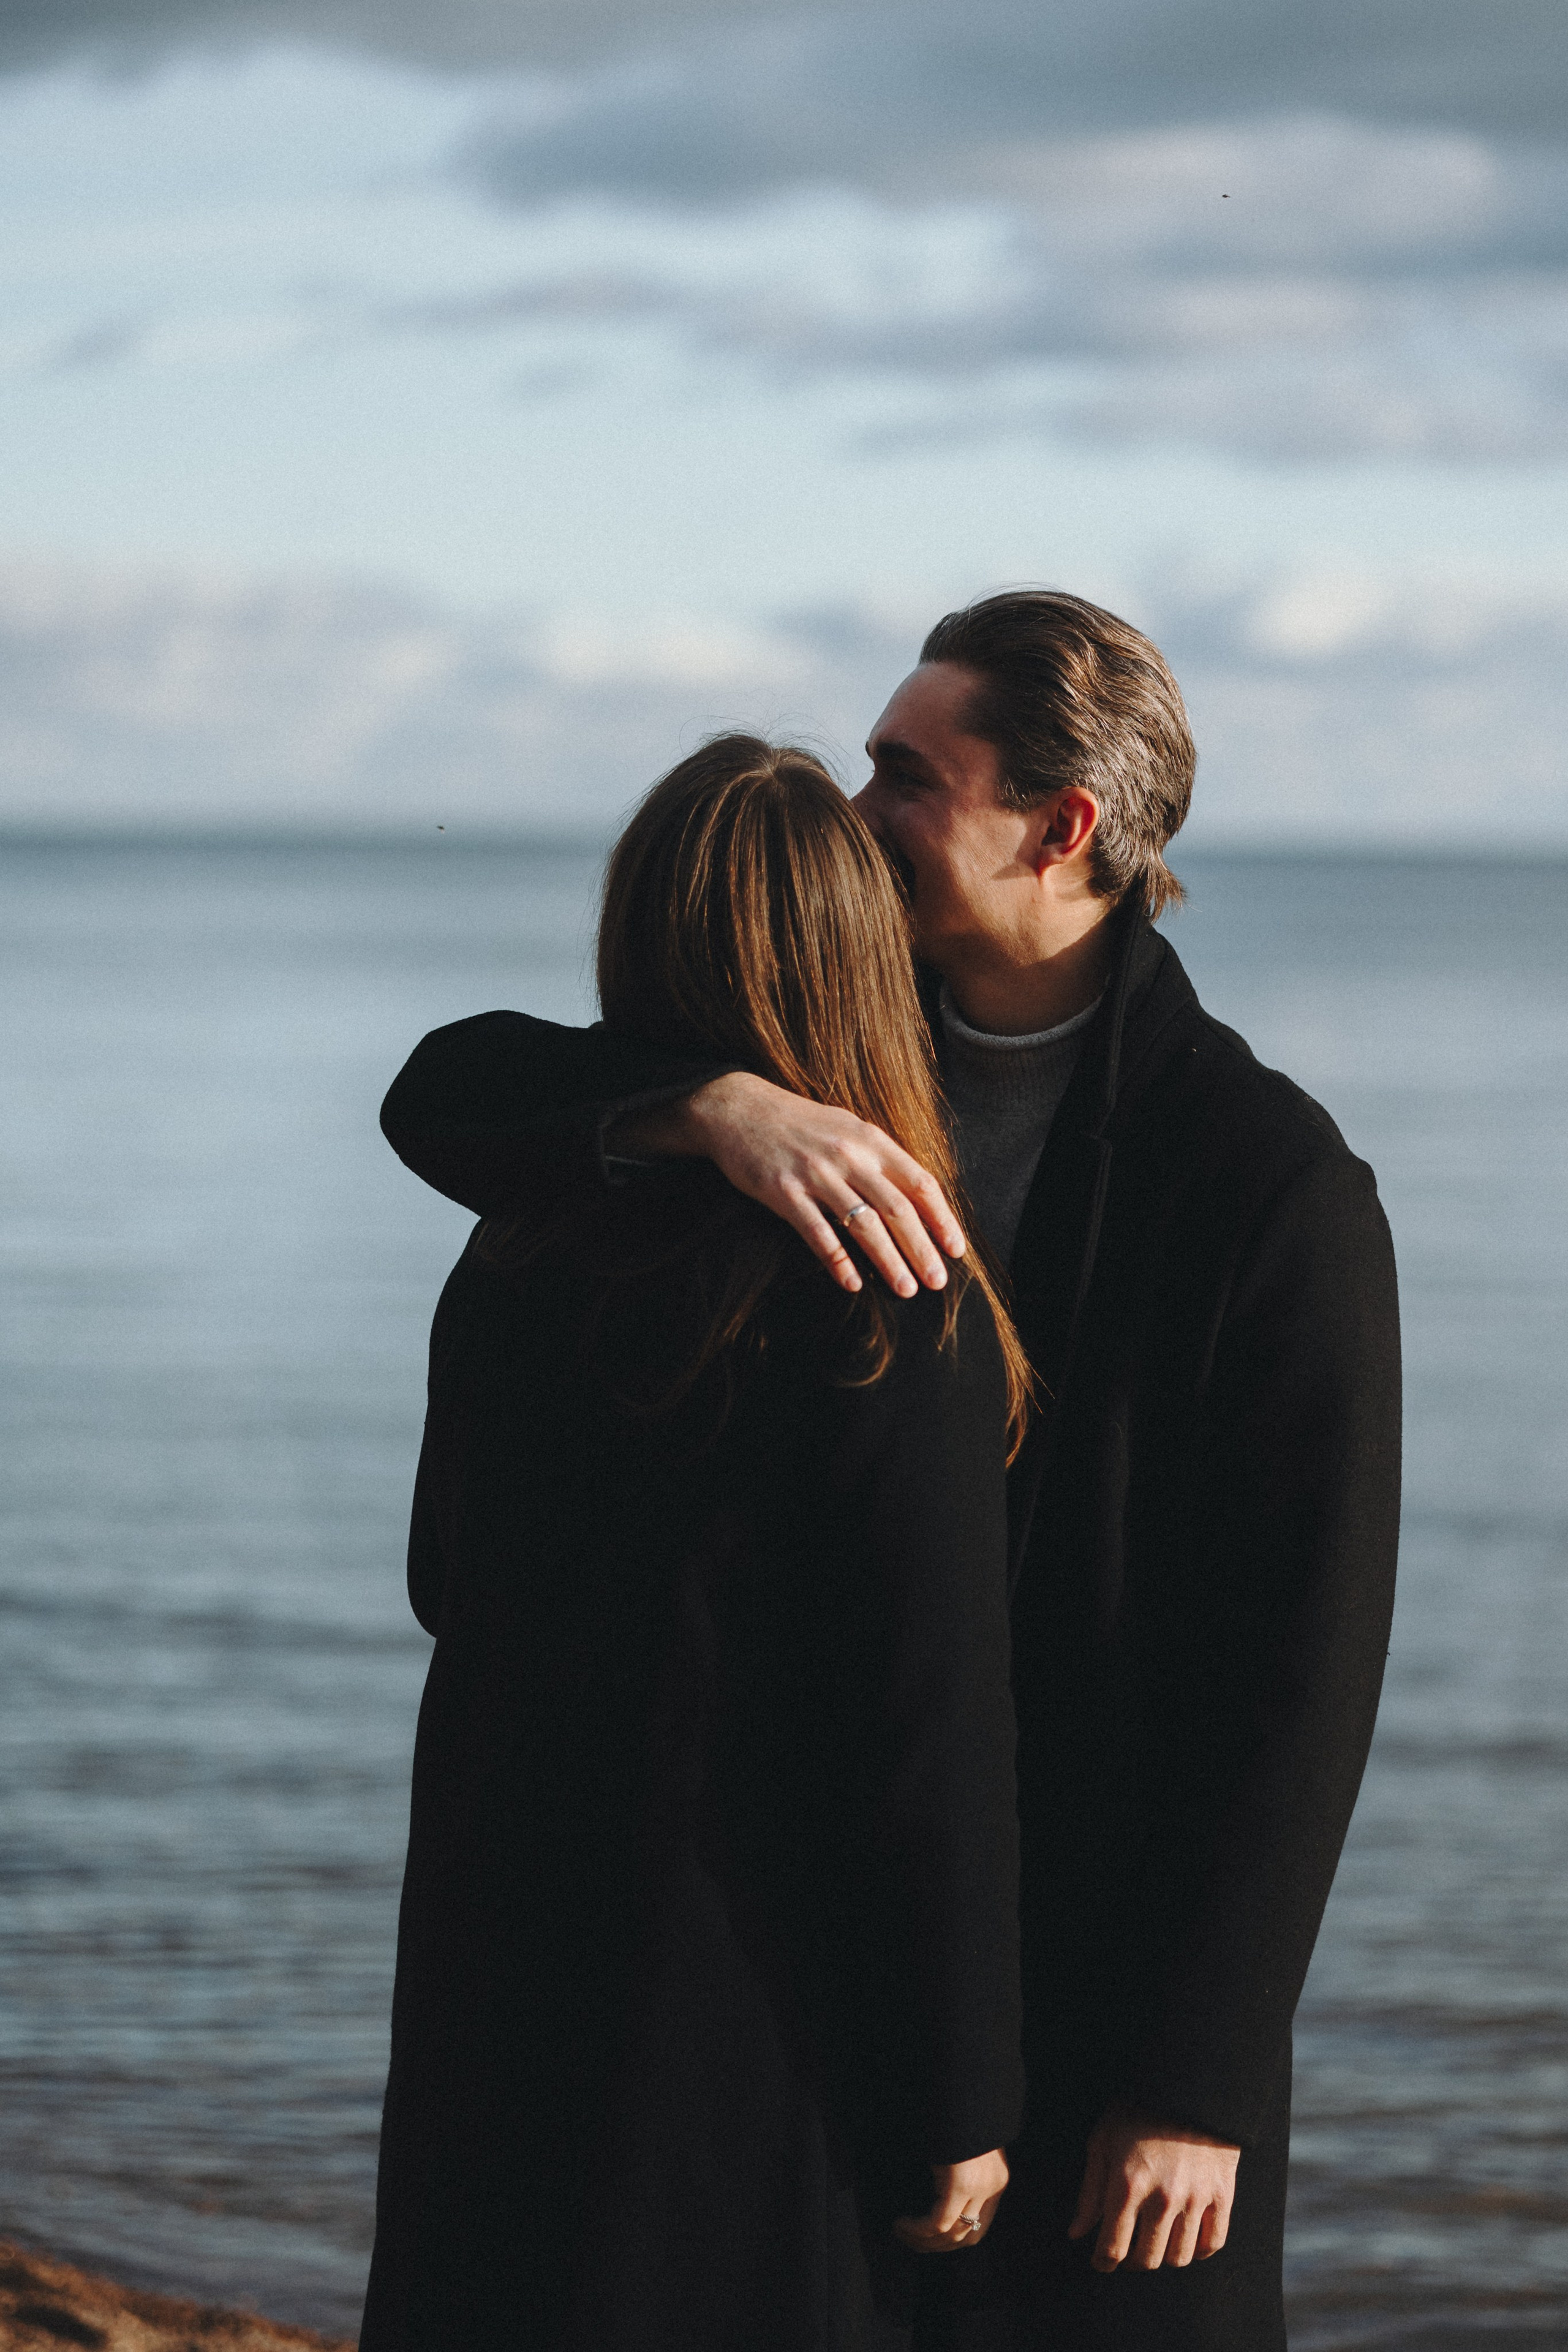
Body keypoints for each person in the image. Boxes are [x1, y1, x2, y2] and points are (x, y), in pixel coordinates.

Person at [379, 592, 1403, 2351]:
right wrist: (707, 1106)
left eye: (907, 773)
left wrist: (1200, 2073)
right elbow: (450, 1091)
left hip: (1095, 1975)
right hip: (844, 1945)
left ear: (1062, 826)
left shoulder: (1263, 1182)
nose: (858, 807)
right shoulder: (814, 1054)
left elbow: (1304, 1667)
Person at [361, 736, 1037, 2352]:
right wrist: (964, 2098)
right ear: (860, 957)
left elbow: (436, 1579)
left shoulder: (525, 1241)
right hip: (745, 2009)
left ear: (633, 931)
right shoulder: (886, 1295)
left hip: (495, 1960)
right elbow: (926, 1735)